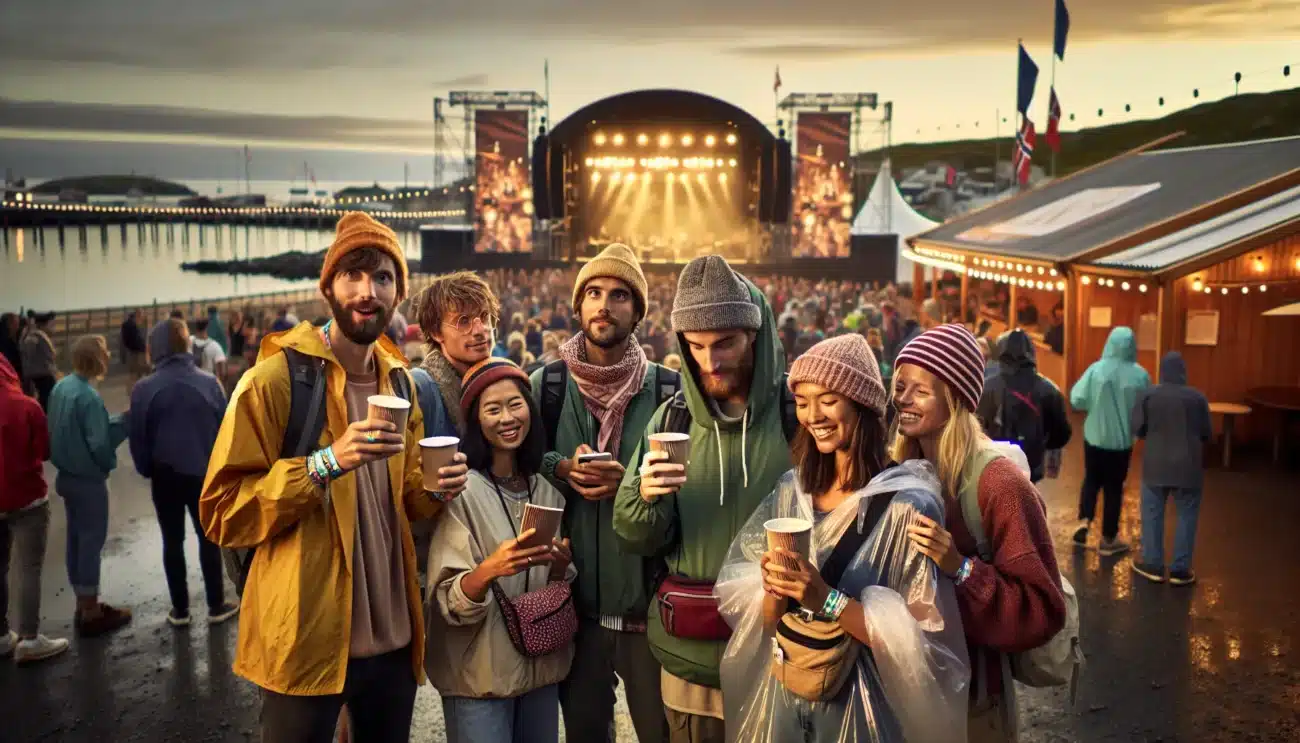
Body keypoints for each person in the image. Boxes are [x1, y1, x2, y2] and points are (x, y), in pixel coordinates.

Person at [200, 212, 469, 743]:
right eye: (353, 276)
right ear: (328, 287)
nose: (368, 292)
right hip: (306, 640)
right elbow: (222, 510)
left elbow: (407, 501)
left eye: (383, 278)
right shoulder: (276, 381)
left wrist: (436, 489)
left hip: (393, 640)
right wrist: (326, 463)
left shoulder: (401, 381)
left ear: (398, 294)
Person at [715, 334, 969, 742]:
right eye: (802, 402)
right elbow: (769, 624)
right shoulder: (791, 491)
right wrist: (774, 589)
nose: (813, 415)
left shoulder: (909, 505)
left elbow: (923, 648)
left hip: (867, 716)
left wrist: (826, 598)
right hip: (789, 705)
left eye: (828, 400)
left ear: (862, 402)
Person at [615, 255, 793, 743]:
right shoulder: (671, 420)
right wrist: (645, 498)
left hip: (781, 661)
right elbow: (632, 533)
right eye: (695, 347)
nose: (710, 362)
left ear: (753, 334)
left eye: (725, 344)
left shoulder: (797, 415)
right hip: (690, 662)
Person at [888, 324, 1065, 743]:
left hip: (974, 701)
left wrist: (961, 568)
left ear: (957, 399)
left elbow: (1043, 608)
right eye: (899, 386)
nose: (903, 400)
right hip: (907, 688)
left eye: (921, 391)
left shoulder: (1000, 485)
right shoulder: (900, 469)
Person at [532, 244, 671, 743]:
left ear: (637, 312)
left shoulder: (668, 392)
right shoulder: (545, 387)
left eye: (618, 295)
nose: (603, 305)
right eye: (592, 293)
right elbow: (515, 462)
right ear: (578, 306)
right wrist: (562, 468)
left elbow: (693, 486)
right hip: (576, 609)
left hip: (649, 610)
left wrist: (630, 484)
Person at [425, 359, 577, 743]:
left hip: (540, 673)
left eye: (516, 404)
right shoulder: (461, 494)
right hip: (480, 679)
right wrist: (490, 568)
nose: (507, 418)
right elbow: (446, 601)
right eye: (493, 409)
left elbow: (551, 584)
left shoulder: (545, 491)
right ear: (475, 420)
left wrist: (559, 567)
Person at [129, 318, 238, 627]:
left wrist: (146, 468)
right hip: (204, 474)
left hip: (164, 476)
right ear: (186, 344)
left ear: (156, 348)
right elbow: (225, 433)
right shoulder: (209, 384)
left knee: (172, 540)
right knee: (209, 540)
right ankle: (216, 604)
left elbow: (138, 436)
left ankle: (181, 610)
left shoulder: (143, 389)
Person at [48, 334, 133, 636]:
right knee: (91, 542)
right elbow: (98, 442)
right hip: (88, 481)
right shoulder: (89, 396)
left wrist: (118, 420)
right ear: (98, 359)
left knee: (75, 537)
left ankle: (81, 601)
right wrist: (110, 458)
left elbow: (77, 428)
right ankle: (91, 610)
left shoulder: (62, 387)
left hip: (66, 477)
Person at [0, 355, 70, 664]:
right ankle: (29, 638)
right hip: (27, 498)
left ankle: (2, 635)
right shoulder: (27, 405)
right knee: (28, 569)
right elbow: (44, 452)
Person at [1130, 352, 1212, 586]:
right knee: (1187, 514)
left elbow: (1138, 428)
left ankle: (1153, 565)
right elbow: (1207, 432)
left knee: (1152, 512)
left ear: (1161, 371)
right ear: (1183, 372)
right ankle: (1180, 570)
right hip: (1189, 466)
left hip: (1156, 464)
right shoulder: (1198, 398)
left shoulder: (1148, 395)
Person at [1069, 327, 1150, 555]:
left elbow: (1077, 398)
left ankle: (1083, 524)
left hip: (1094, 436)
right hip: (1122, 442)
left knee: (1092, 480)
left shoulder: (1096, 370)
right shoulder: (1140, 375)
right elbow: (1146, 408)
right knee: (1114, 487)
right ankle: (1108, 538)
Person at [410, 271, 501, 441]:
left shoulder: (501, 380)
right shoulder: (419, 387)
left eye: (484, 316)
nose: (480, 330)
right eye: (463, 321)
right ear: (436, 332)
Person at [977, 329, 1072, 483]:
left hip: (993, 465)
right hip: (1031, 467)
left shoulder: (986, 387)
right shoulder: (1049, 390)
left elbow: (975, 429)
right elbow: (1062, 434)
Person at [21, 312, 58, 410]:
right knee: (47, 402)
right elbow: (29, 350)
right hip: (42, 374)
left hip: (43, 373)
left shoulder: (39, 335)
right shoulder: (35, 335)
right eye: (51, 324)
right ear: (43, 324)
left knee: (47, 401)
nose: (53, 327)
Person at [121, 310, 150, 389]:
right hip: (138, 353)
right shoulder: (133, 326)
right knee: (145, 371)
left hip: (131, 353)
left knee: (134, 375)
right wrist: (144, 348)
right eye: (140, 317)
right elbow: (137, 340)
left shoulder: (126, 325)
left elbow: (124, 341)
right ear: (137, 316)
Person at [0, 313, 25, 393]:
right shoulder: (4, 341)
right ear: (9, 324)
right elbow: (9, 362)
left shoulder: (12, 337)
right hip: (9, 381)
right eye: (16, 323)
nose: (18, 326)